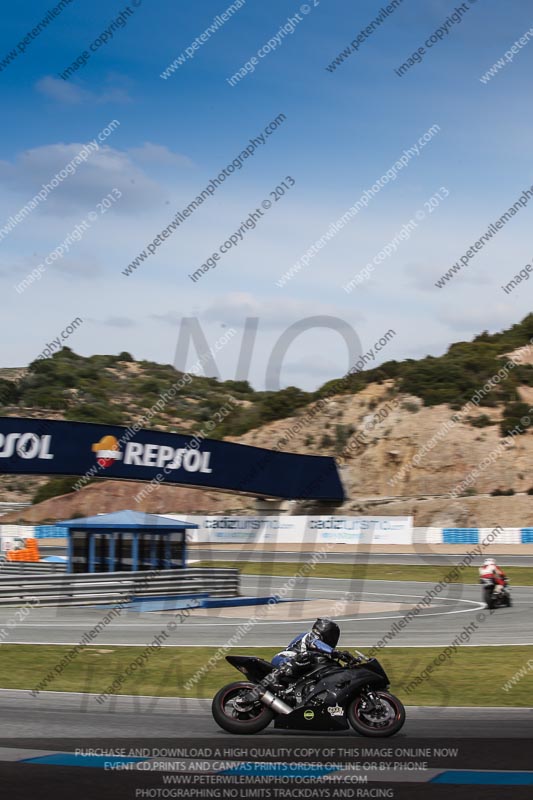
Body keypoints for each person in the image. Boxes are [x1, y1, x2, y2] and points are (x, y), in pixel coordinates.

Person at [238, 618, 351, 706]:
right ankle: (271, 680)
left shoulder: (322, 651)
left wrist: (349, 660)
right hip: (284, 659)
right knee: (307, 656)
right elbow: (316, 644)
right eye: (333, 635)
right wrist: (335, 652)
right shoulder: (311, 637)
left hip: (298, 670)